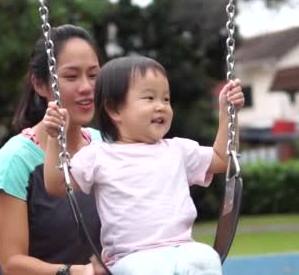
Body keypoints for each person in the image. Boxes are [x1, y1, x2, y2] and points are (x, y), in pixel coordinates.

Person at [43, 56, 245, 274]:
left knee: (207, 259)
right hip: (131, 257)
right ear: (114, 110)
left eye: (166, 99)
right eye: (149, 98)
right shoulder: (98, 155)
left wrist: (228, 113)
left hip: (182, 248)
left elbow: (223, 160)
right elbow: (56, 185)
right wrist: (55, 138)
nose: (161, 107)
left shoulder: (178, 150)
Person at [0, 24, 105, 275]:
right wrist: (76, 272)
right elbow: (12, 264)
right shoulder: (15, 160)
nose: (86, 87)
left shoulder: (104, 145)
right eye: (71, 77)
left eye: (93, 75)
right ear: (40, 85)